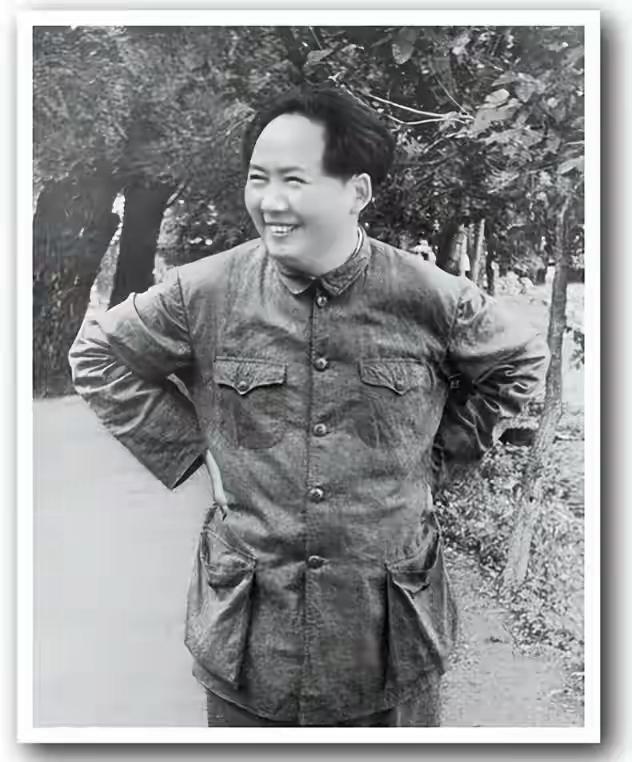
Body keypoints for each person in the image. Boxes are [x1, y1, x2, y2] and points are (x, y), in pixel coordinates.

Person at [68, 85, 549, 727]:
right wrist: (193, 448)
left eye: (294, 180)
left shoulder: (431, 297)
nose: (271, 201)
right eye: (258, 178)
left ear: (357, 191)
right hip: (250, 638)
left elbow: (520, 359)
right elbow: (98, 355)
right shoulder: (204, 292)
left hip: (388, 637)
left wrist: (438, 458)